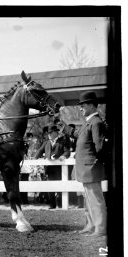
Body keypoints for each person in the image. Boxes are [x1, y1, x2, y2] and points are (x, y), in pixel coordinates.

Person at [63, 91, 107, 237]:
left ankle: (100, 228)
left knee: (95, 199)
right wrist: (62, 123)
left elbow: (99, 147)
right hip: (86, 167)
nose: (80, 108)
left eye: (83, 105)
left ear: (91, 105)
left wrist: (95, 163)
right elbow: (77, 134)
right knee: (88, 199)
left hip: (90, 167)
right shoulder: (88, 122)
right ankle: (90, 225)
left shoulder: (96, 122)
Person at [34, 125, 70, 209]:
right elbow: (40, 151)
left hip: (59, 168)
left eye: (51, 133)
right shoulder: (46, 142)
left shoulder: (62, 141)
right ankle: (52, 205)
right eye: (48, 133)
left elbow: (67, 152)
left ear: (55, 133)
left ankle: (61, 204)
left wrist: (63, 156)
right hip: (49, 168)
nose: (49, 134)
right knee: (50, 186)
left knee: (60, 186)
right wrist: (34, 158)